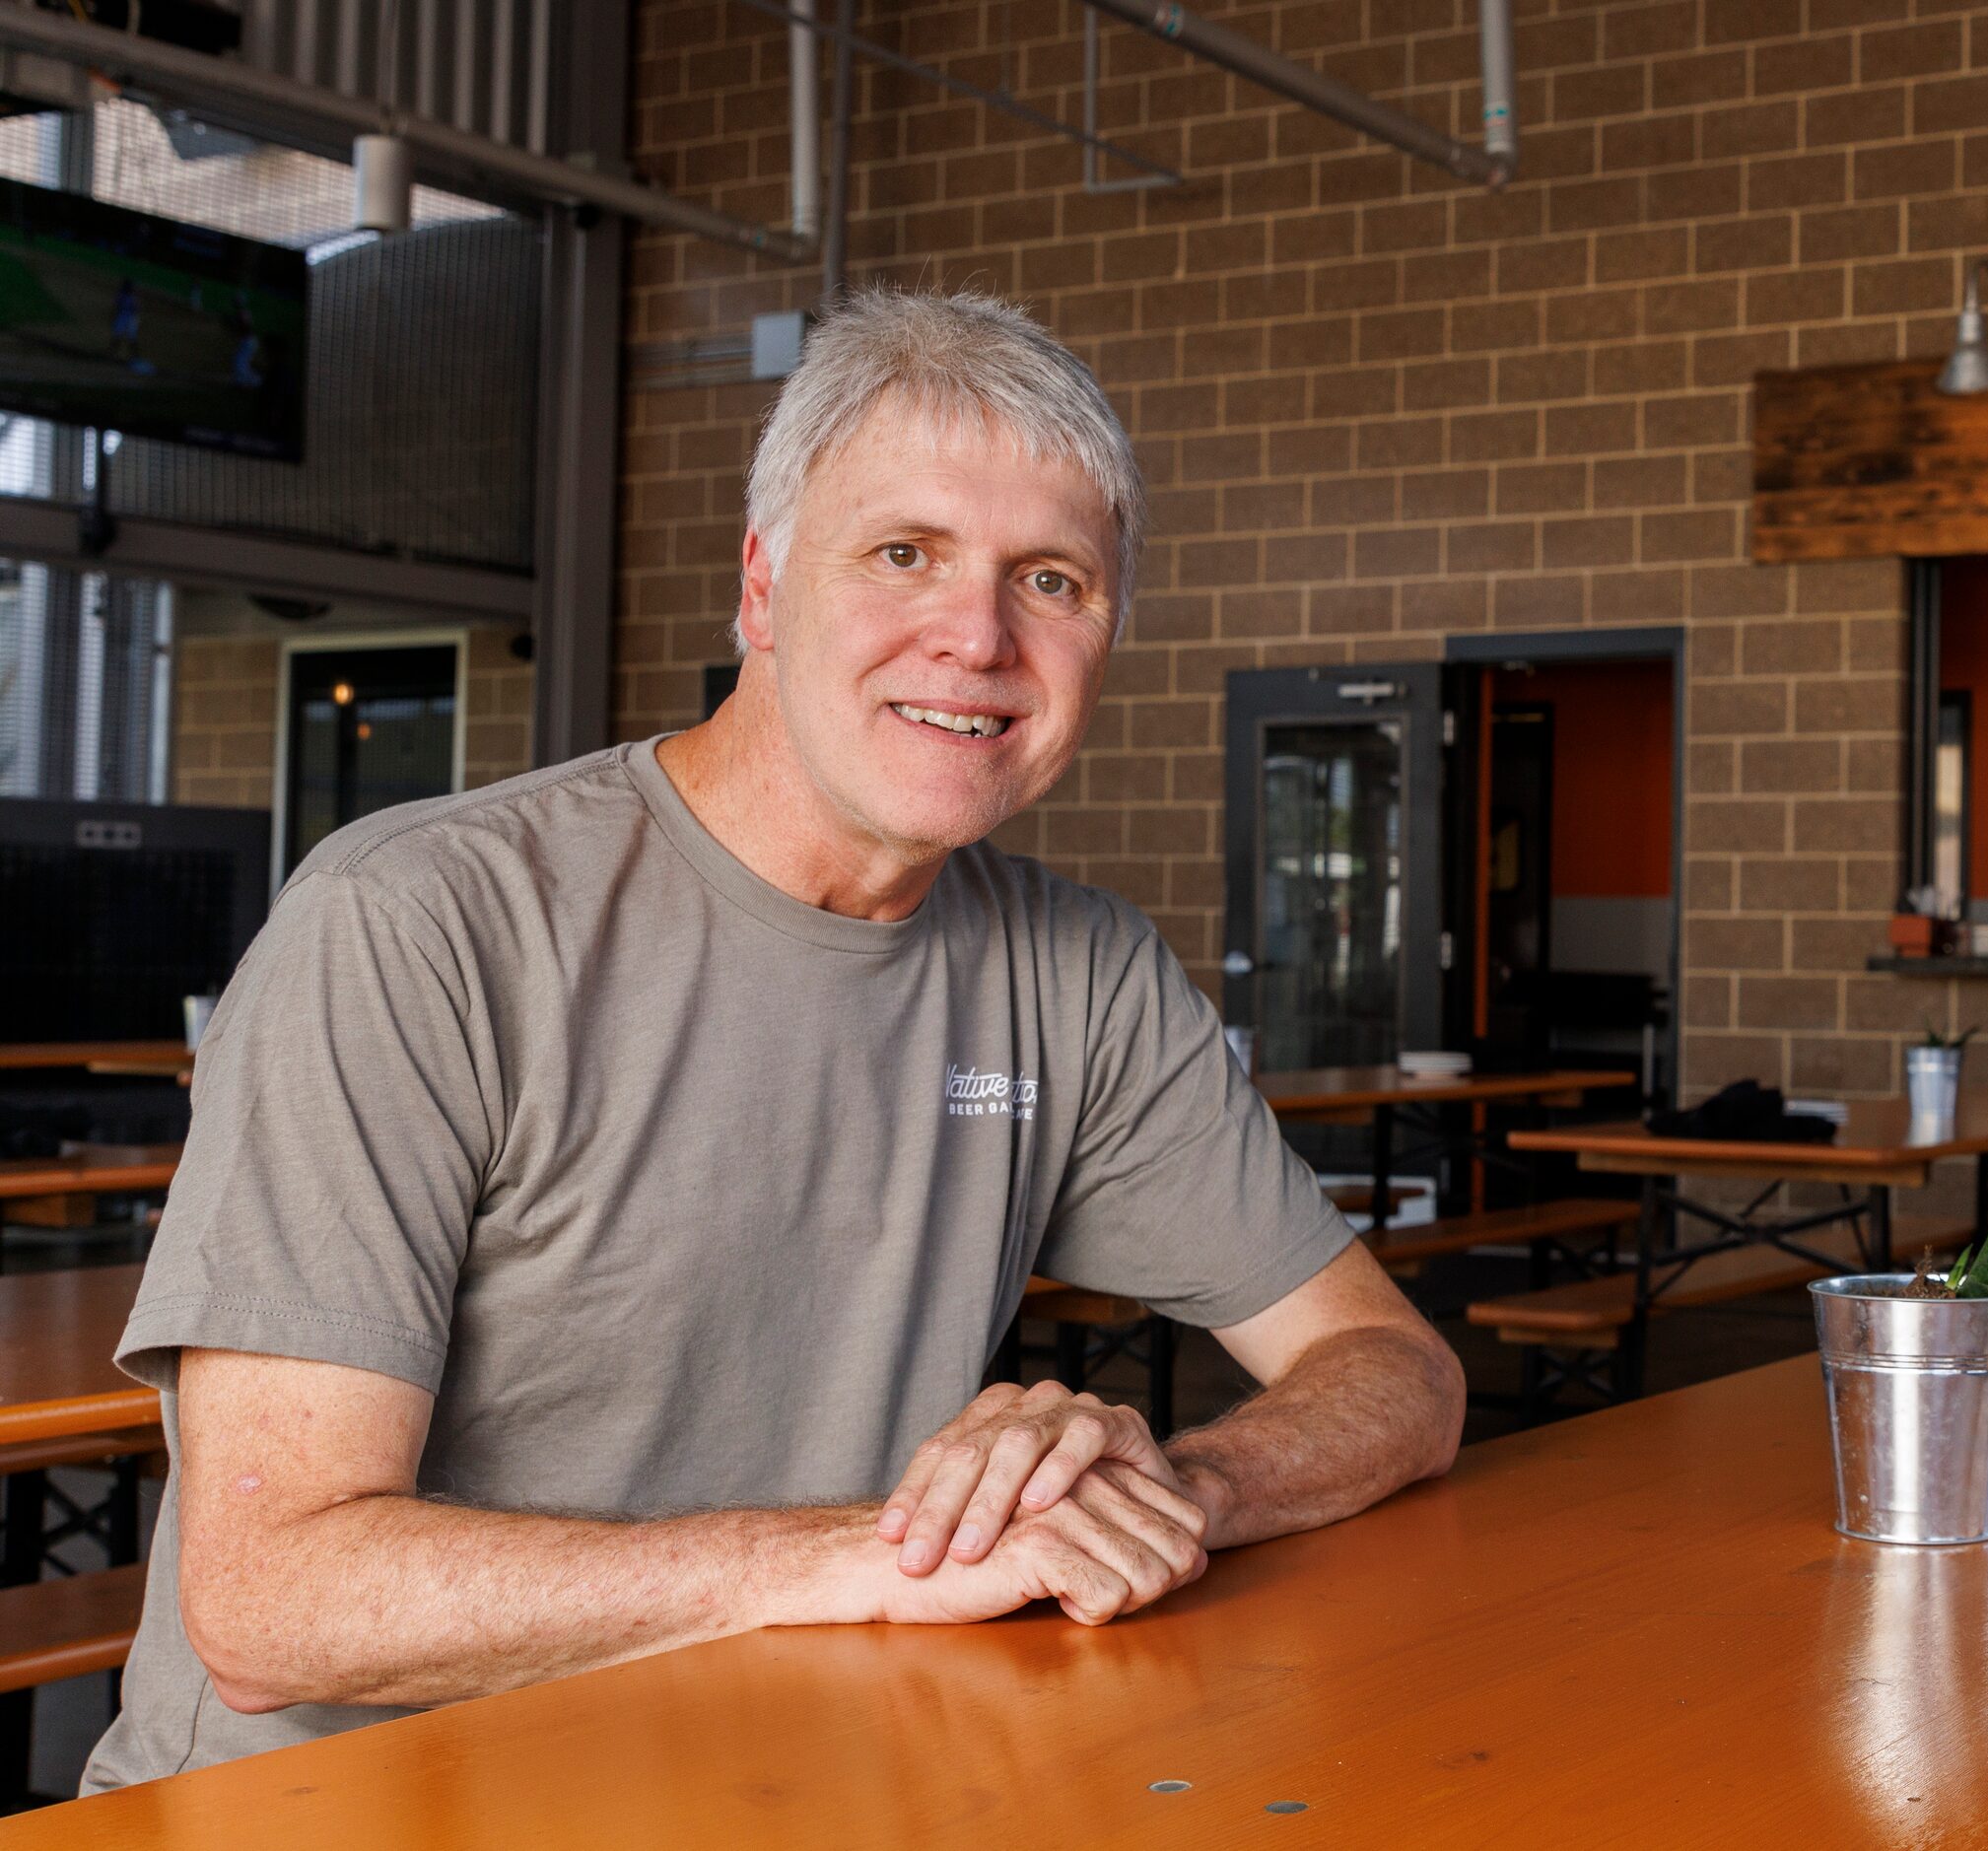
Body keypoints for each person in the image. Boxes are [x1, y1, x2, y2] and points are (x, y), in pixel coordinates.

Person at [85, 290, 1467, 1790]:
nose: (978, 637)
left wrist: (1154, 1482)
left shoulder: (1082, 974)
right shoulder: (416, 923)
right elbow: (272, 1602)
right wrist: (849, 1557)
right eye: (905, 553)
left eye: (1052, 579)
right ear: (760, 586)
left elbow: (1396, 1369)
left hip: (780, 1775)